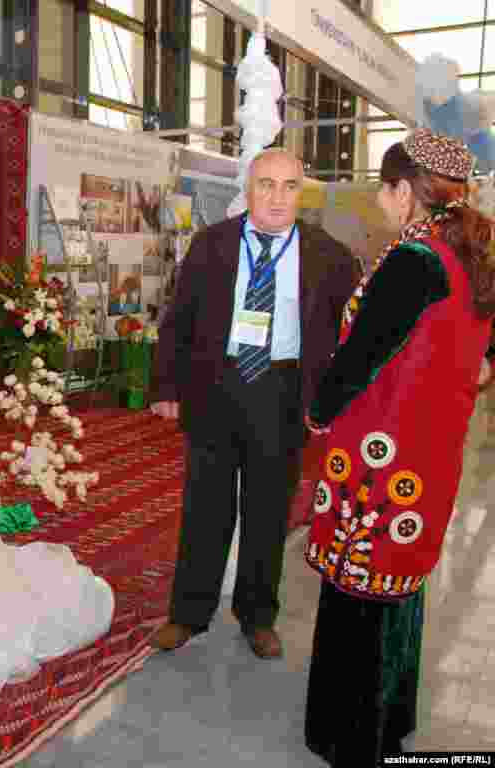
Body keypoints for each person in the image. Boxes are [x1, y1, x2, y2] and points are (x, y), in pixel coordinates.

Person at [302, 130, 495, 765]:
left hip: (382, 453)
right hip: (430, 451)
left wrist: (318, 410)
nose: (381, 204)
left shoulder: (415, 260)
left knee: (361, 591)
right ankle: (392, 717)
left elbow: (362, 354)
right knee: (398, 585)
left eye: (384, 191)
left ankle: (352, 735)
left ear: (405, 191)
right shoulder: (469, 255)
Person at [150, 148, 361, 659]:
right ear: (248, 189)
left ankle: (257, 615)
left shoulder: (328, 255)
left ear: (302, 193)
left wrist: (331, 401)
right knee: (206, 507)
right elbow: (177, 320)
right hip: (215, 389)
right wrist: (165, 387)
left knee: (269, 511)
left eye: (290, 186)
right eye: (267, 184)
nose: (277, 197)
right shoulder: (212, 245)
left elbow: (352, 335)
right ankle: (189, 612)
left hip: (282, 393)